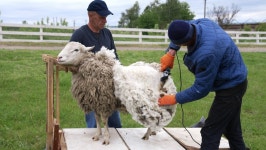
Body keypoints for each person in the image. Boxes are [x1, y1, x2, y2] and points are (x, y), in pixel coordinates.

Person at [158, 18, 248, 150]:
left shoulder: (207, 54)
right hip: (237, 79)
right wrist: (171, 51)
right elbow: (182, 27)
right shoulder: (202, 23)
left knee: (210, 132)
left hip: (231, 87)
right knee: (232, 130)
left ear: (184, 43)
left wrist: (174, 98)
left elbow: (201, 89)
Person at [69, 0, 122, 128]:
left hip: (109, 89)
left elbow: (115, 57)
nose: (105, 20)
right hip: (90, 90)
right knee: (95, 126)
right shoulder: (79, 35)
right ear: (91, 15)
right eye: (101, 17)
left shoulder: (107, 33)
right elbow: (69, 61)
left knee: (115, 125)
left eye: (106, 17)